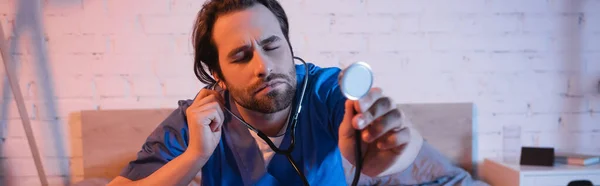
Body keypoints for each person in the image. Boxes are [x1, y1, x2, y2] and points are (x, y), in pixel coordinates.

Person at [107, 0, 489, 185]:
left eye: (273, 46)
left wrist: (394, 151)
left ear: (289, 46)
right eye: (241, 56)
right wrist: (195, 155)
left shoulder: (325, 89)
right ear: (217, 75)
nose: (264, 66)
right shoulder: (198, 119)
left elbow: (395, 143)